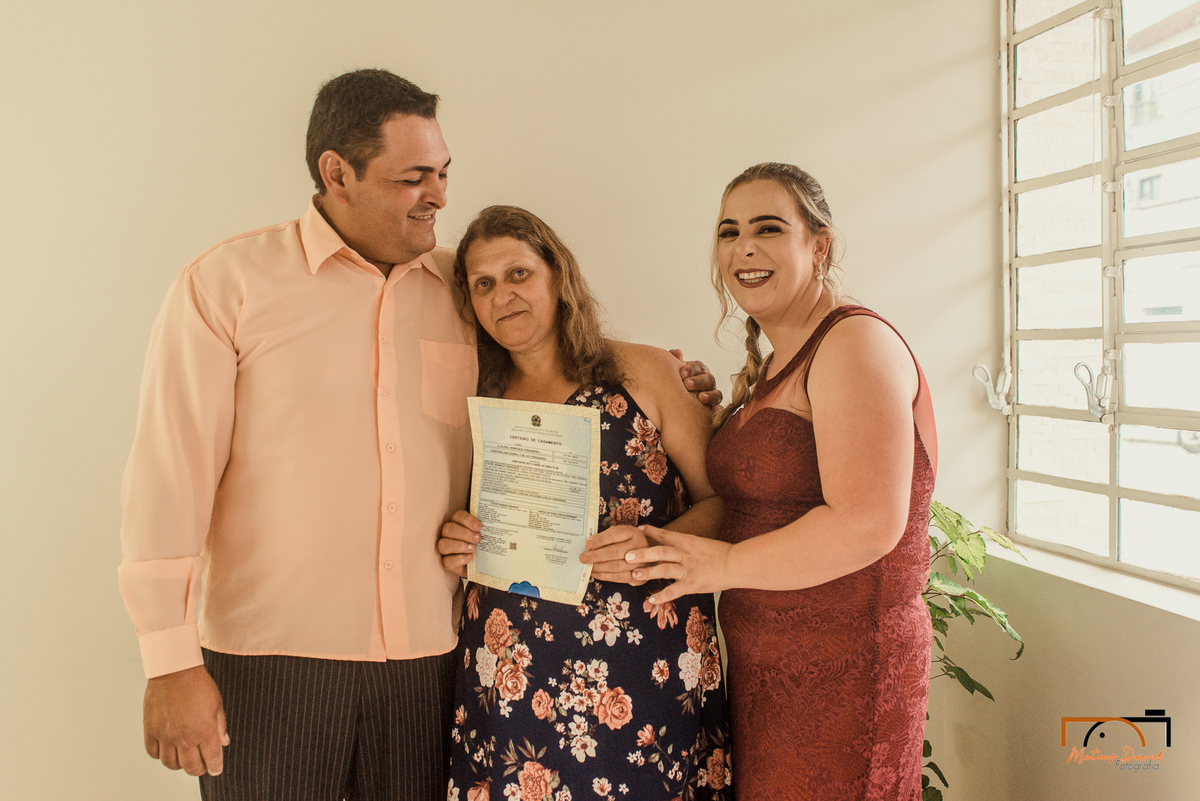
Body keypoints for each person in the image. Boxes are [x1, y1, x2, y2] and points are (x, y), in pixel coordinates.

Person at [117, 69, 719, 801]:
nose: (438, 194)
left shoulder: (467, 294)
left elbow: (556, 372)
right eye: (413, 177)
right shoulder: (227, 285)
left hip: (431, 666)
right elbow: (167, 481)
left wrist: (673, 381)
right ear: (336, 173)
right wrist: (169, 660)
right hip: (268, 663)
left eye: (443, 172)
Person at [624, 163, 938, 799]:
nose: (744, 248)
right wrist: (710, 414)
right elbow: (765, 487)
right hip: (771, 670)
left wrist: (723, 565)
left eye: (768, 228)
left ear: (818, 245)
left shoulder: (854, 342)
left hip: (849, 669)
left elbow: (869, 521)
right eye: (728, 231)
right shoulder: (776, 363)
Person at [436, 206, 732, 801]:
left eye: (519, 273)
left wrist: (659, 543)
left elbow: (725, 502)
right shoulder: (474, 396)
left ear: (557, 276)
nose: (503, 296)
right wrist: (457, 539)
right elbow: (458, 513)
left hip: (641, 663)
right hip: (513, 664)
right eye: (484, 284)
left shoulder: (644, 370)